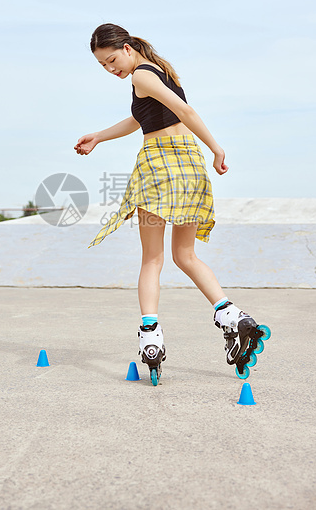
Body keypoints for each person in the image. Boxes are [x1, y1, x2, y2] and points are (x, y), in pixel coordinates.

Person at [74, 23, 270, 386]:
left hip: (160, 166)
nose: (111, 69)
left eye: (112, 60)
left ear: (128, 48)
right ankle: (233, 317)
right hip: (189, 167)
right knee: (186, 256)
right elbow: (140, 119)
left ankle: (150, 337)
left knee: (152, 258)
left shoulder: (142, 77)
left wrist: (217, 146)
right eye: (103, 66)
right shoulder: (159, 72)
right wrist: (99, 136)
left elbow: (186, 111)